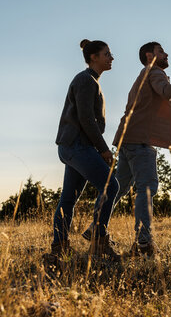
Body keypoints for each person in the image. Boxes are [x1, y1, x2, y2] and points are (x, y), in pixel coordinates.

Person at [82, 41, 171, 257]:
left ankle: (96, 228)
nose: (166, 54)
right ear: (150, 55)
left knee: (118, 186)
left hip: (127, 138)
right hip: (140, 140)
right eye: (161, 51)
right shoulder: (154, 71)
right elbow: (166, 92)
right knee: (147, 187)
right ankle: (144, 243)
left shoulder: (144, 74)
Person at [48, 39, 120, 261]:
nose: (112, 57)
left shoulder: (91, 81)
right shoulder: (86, 80)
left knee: (69, 198)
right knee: (111, 186)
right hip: (77, 145)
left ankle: (59, 246)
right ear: (93, 57)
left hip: (75, 146)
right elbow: (86, 119)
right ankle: (98, 240)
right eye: (107, 54)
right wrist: (104, 150)